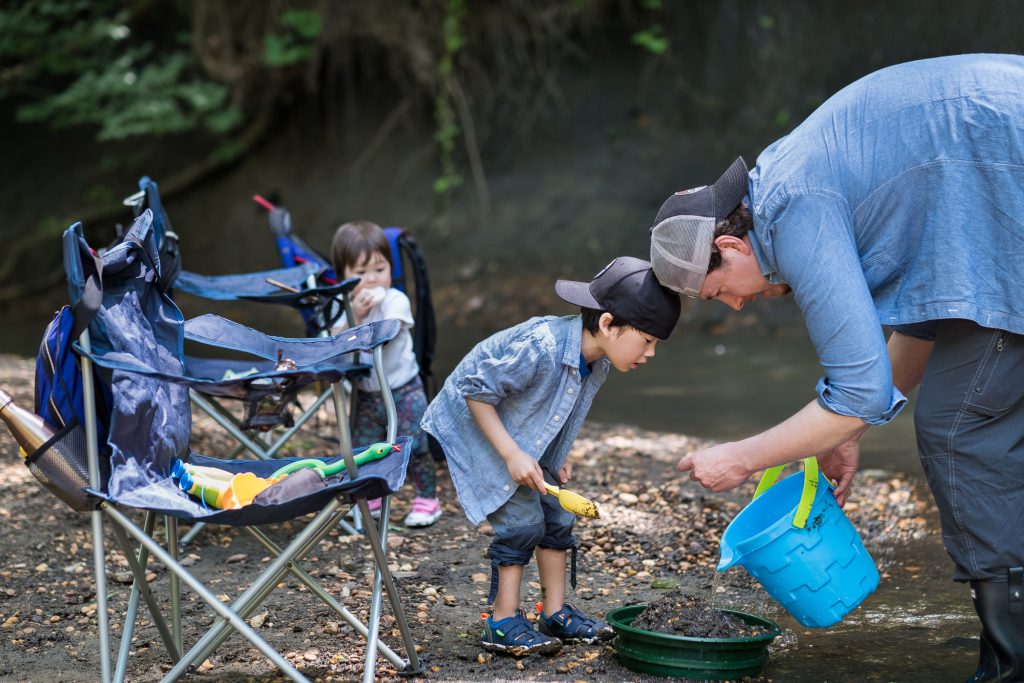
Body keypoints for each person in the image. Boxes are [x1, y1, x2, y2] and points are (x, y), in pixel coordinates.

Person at [648, 54, 1024, 682]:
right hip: (993, 195)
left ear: (730, 246)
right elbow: (932, 315)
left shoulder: (794, 206)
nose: (737, 303)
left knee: (960, 429)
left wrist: (744, 457)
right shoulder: (787, 179)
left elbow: (858, 389)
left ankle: (1012, 665)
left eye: (720, 291)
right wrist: (847, 429)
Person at [422, 257, 681, 655]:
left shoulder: (599, 361)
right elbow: (475, 392)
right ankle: (502, 620)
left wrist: (556, 456)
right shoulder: (542, 347)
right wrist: (510, 454)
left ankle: (554, 612)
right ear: (609, 324)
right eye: (647, 341)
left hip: (517, 428)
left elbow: (562, 408)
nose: (651, 353)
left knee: (558, 512)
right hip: (475, 422)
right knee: (521, 519)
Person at [330, 220, 442, 528]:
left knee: (416, 444)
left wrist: (369, 318)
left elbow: (388, 334)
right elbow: (334, 341)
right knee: (365, 448)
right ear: (342, 276)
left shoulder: (396, 300)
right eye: (361, 273)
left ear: (390, 269)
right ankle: (373, 495)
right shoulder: (346, 307)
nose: (372, 280)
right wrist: (356, 315)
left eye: (379, 270)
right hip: (367, 393)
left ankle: (427, 499)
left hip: (403, 388)